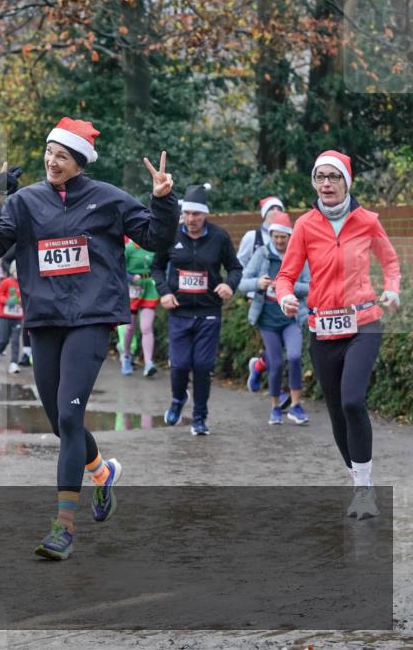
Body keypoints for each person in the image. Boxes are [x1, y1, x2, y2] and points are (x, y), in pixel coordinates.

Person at [0, 116, 178, 560]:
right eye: (49, 153)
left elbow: (157, 239)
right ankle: (102, 474)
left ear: (80, 161)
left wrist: (163, 200)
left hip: (91, 317)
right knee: (59, 421)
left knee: (70, 418)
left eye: (62, 156)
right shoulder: (25, 201)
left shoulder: (108, 198)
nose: (52, 161)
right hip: (45, 319)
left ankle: (63, 526)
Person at [276, 150, 401, 520]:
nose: (326, 184)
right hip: (322, 327)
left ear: (347, 181)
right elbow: (286, 275)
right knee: (335, 413)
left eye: (333, 177)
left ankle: (364, 491)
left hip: (363, 323)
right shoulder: (304, 225)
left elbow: (390, 261)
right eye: (320, 178)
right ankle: (360, 482)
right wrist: (284, 296)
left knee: (352, 401)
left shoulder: (366, 221)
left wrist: (392, 288)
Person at [150, 183, 242, 436]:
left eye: (197, 215)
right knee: (179, 365)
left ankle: (200, 417)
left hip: (208, 311)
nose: (191, 220)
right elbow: (156, 268)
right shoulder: (170, 236)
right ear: (182, 214)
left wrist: (229, 285)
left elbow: (235, 268)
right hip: (179, 311)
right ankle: (179, 399)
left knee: (202, 366)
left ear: (205, 215)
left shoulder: (219, 237)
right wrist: (164, 292)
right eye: (187, 214)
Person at [238, 211, 311, 425]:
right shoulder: (261, 254)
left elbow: (309, 285)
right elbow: (241, 283)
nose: (279, 241)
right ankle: (275, 407)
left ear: (290, 237)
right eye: (276, 236)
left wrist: (286, 286)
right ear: (271, 236)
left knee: (296, 357)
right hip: (267, 318)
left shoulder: (298, 254)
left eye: (284, 237)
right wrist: (258, 283)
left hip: (291, 316)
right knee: (277, 363)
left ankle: (296, 406)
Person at [122, 237, 159, 377]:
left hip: (149, 289)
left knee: (146, 327)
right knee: (130, 327)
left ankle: (149, 363)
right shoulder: (129, 248)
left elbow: (159, 267)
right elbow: (118, 268)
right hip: (132, 291)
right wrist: (131, 278)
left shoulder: (154, 248)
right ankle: (126, 356)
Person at [237, 196, 286, 267]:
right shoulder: (251, 236)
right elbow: (240, 263)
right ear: (264, 213)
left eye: (279, 209)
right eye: (271, 209)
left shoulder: (289, 238)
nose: (276, 212)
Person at [0, 262, 24, 373]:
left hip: (17, 317)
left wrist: (21, 303)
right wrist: (6, 301)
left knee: (15, 341)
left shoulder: (23, 283)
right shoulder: (6, 282)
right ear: (12, 271)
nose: (19, 273)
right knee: (4, 339)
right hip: (5, 316)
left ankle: (14, 363)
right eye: (16, 271)